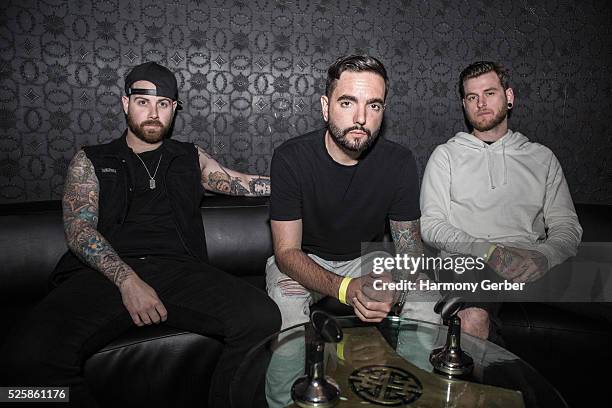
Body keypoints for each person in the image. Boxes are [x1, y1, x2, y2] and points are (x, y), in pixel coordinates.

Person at [0, 61, 280, 407]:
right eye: (143, 101)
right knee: (24, 359)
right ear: (125, 103)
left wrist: (298, 184)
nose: (153, 112)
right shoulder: (91, 159)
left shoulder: (188, 157)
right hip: (103, 273)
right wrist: (128, 281)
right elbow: (79, 230)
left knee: (261, 318)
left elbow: (238, 182)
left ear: (174, 110)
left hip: (180, 270)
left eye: (164, 104)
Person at [267, 54, 440, 332]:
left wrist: (393, 285)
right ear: (326, 107)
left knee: (426, 297)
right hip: (305, 259)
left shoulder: (399, 161)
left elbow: (410, 249)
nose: (361, 118)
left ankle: (413, 374)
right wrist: (345, 288)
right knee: (285, 302)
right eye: (347, 103)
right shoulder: (291, 158)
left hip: (366, 257)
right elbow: (287, 252)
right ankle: (294, 377)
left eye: (374, 105)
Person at [420, 61, 582, 341]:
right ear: (464, 104)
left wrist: (545, 256)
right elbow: (431, 225)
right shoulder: (446, 155)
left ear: (509, 97)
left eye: (490, 93)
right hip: (471, 261)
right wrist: (488, 251)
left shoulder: (541, 158)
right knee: (472, 315)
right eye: (472, 97)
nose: (481, 103)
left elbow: (567, 227)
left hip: (528, 261)